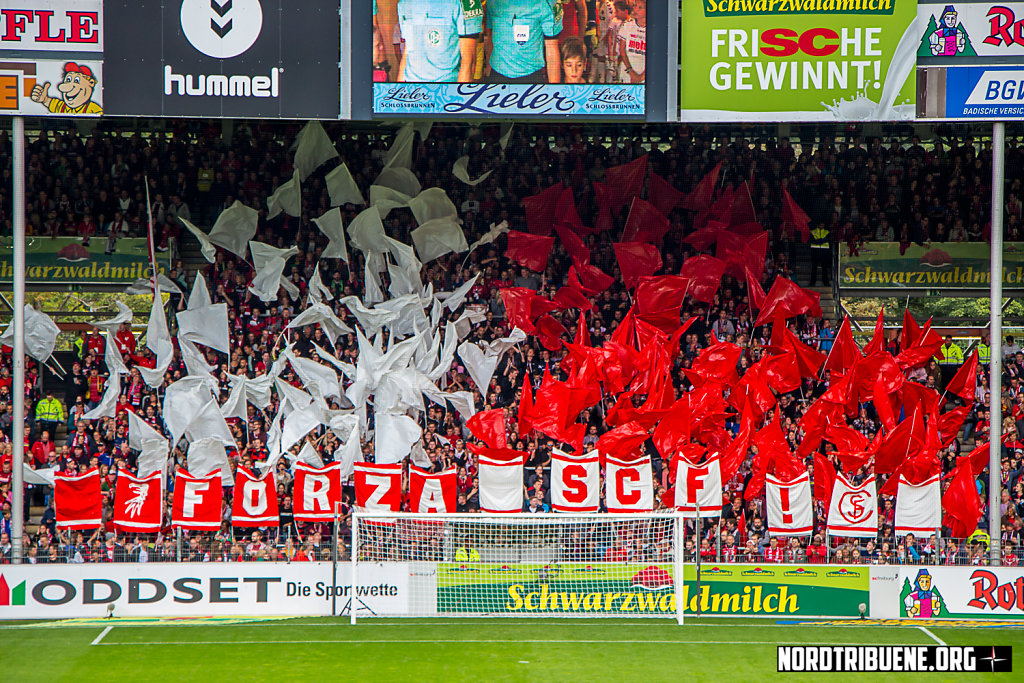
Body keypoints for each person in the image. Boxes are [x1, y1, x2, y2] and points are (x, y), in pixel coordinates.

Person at [396, 0, 483, 83]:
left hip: (445, 88)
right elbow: (407, 52)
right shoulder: (404, 3)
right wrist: (399, 88)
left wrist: (458, 95)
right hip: (412, 86)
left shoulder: (464, 2)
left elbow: (468, 62)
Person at [486, 0, 562, 83]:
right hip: (496, 74)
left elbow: (552, 48)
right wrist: (488, 69)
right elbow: (491, 35)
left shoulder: (546, 3)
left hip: (531, 77)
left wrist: (554, 89)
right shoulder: (492, 2)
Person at [615, 0, 645, 84]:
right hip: (627, 73)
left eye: (640, 8)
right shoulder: (627, 25)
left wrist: (641, 77)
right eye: (635, 6)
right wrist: (631, 72)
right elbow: (622, 51)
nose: (635, 10)